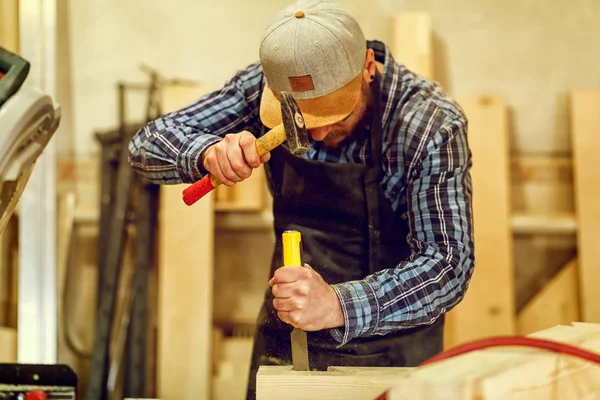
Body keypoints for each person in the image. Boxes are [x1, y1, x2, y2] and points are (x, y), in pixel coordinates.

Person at [128, 0, 475, 398]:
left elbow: (448, 265)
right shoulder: (261, 90)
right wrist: (205, 153)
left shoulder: (429, 124)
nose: (318, 135)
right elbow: (145, 146)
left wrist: (339, 305)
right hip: (286, 335)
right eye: (303, 120)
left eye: (334, 116)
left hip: (395, 353)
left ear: (366, 67)